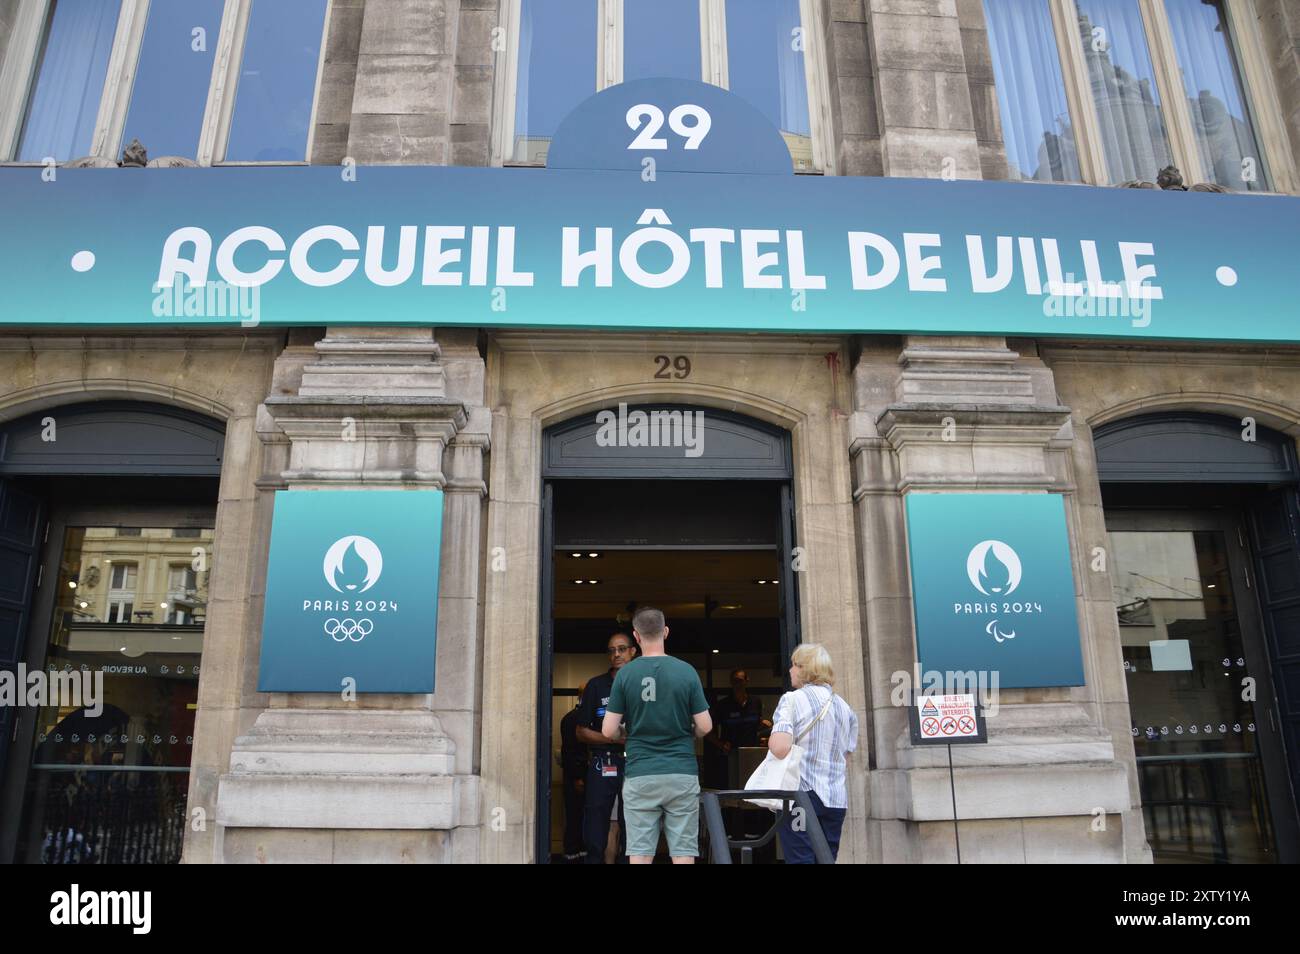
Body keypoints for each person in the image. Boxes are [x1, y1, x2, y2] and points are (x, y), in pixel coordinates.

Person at [602, 606, 711, 864]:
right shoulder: (686, 671)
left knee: (640, 851)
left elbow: (608, 730)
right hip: (681, 771)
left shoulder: (626, 674)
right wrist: (690, 731)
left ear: (636, 637)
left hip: (641, 773)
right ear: (666, 632)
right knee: (684, 851)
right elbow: (705, 726)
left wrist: (624, 731)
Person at [768, 643, 858, 863]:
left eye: (794, 665)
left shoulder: (792, 700)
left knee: (800, 859)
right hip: (835, 801)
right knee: (826, 859)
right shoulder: (845, 708)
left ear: (805, 669)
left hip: (801, 795)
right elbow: (845, 759)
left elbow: (779, 748)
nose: (790, 670)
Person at [575, 632, 637, 863]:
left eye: (621, 649)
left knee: (633, 823)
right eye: (611, 650)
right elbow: (580, 731)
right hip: (604, 762)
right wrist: (613, 739)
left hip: (636, 763)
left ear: (633, 651)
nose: (616, 654)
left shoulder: (645, 684)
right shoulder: (596, 685)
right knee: (595, 824)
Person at [706, 668, 771, 787]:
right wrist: (721, 745)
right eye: (735, 681)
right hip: (731, 755)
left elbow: (754, 726)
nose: (738, 684)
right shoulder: (723, 705)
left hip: (752, 753)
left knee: (753, 788)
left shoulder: (755, 702)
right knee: (732, 788)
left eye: (740, 681)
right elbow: (707, 731)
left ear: (747, 681)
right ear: (731, 683)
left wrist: (763, 726)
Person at [558, 682, 587, 862]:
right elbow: (569, 750)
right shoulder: (573, 718)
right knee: (576, 815)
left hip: (583, 775)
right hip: (577, 776)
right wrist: (578, 777)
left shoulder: (574, 717)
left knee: (581, 815)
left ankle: (578, 851)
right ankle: (573, 853)